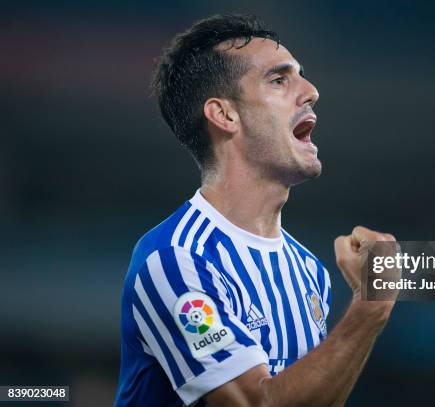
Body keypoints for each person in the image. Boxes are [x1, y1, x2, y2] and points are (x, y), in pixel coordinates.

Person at [114, 14, 396, 407]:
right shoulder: (175, 259)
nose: (311, 91)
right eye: (279, 80)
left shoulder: (308, 270)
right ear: (225, 115)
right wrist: (369, 310)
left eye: (301, 76)